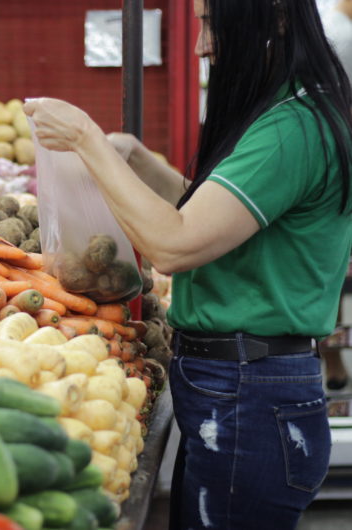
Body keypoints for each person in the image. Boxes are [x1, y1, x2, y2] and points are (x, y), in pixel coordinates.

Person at [24, 0, 352, 528]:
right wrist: (137, 160)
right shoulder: (287, 111)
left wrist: (86, 138)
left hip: (251, 396)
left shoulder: (292, 129)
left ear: (277, 18)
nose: (202, 45)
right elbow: (215, 220)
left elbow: (175, 247)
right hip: (244, 389)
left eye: (211, 25)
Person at [320, 0, 352, 390]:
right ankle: (332, 361)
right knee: (334, 274)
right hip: (336, 161)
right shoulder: (333, 32)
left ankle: (332, 361)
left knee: (335, 274)